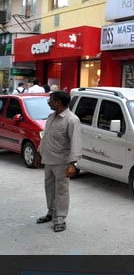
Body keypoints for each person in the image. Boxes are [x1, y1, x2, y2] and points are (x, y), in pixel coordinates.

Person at [35, 91, 81, 232]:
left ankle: (60, 218)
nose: (49, 102)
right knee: (49, 188)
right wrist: (39, 153)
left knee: (61, 190)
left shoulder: (72, 120)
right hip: (48, 159)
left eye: (51, 100)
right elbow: (46, 137)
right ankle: (51, 212)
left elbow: (76, 143)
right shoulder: (51, 117)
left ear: (58, 102)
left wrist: (72, 164)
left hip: (62, 162)